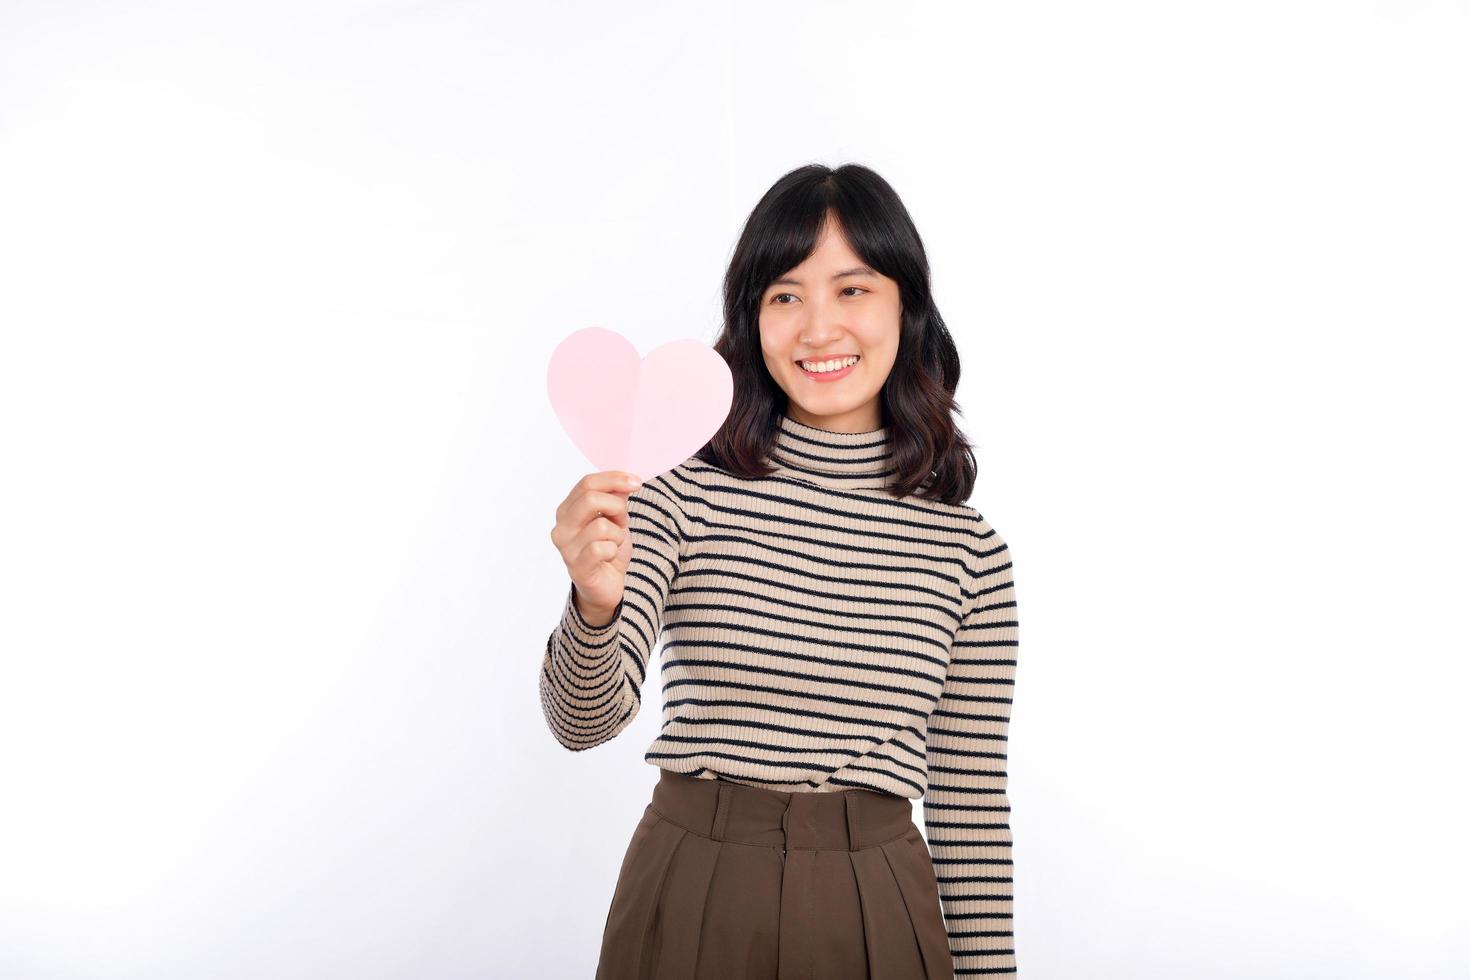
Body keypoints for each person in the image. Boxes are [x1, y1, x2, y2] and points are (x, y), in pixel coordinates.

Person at [541, 162, 1021, 979]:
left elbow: (970, 813)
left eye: (853, 289)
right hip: (696, 888)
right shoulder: (678, 490)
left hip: (881, 906)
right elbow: (581, 723)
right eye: (785, 295)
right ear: (753, 318)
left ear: (906, 304)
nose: (818, 328)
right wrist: (592, 606)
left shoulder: (968, 552)